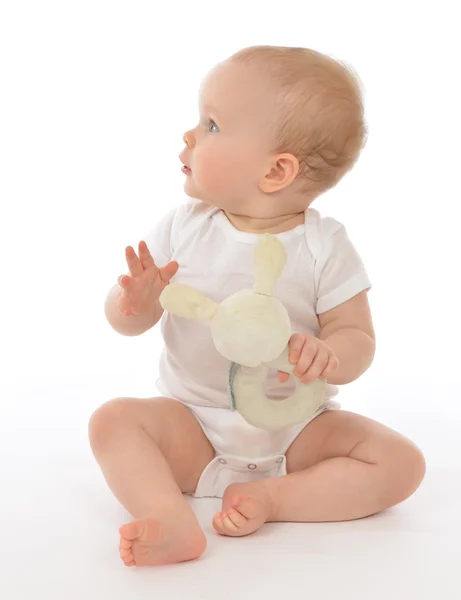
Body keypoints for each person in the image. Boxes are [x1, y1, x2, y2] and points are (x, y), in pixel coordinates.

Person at [89, 45, 426, 568]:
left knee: (402, 464)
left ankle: (277, 499)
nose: (189, 135)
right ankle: (171, 519)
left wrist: (329, 353)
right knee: (113, 422)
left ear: (276, 172)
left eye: (212, 125)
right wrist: (132, 303)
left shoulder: (324, 245)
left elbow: (356, 336)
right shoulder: (184, 226)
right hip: (193, 426)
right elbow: (124, 320)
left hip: (298, 428)